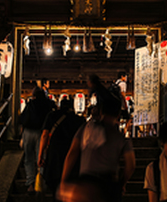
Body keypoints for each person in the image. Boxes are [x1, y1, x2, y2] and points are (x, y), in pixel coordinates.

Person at [58, 74, 136, 202]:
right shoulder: (120, 136)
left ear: (100, 111)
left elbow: (72, 154)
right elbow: (131, 165)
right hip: (109, 184)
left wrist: (64, 181)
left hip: (86, 183)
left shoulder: (86, 129)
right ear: (118, 114)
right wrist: (122, 182)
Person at [37, 98, 85, 201]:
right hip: (74, 159)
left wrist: (40, 155)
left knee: (56, 188)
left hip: (55, 157)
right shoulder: (79, 120)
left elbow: (45, 135)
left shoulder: (52, 116)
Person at [20, 86, 54, 193]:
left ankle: (30, 182)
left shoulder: (30, 104)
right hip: (42, 132)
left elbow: (23, 119)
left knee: (28, 158)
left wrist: (21, 135)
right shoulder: (49, 104)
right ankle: (41, 184)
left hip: (28, 132)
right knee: (42, 158)